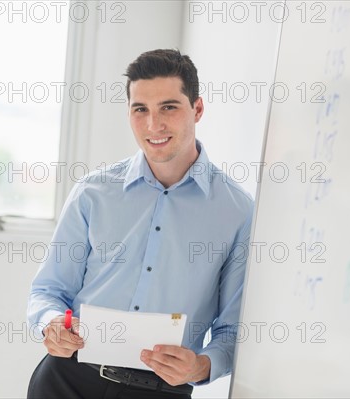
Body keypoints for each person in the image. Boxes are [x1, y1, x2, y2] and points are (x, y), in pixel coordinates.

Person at [26, 49, 254, 398]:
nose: (153, 125)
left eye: (169, 107)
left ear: (197, 109)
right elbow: (48, 291)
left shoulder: (237, 211)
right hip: (66, 379)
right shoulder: (92, 192)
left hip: (160, 391)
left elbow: (232, 330)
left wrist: (202, 366)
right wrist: (50, 324)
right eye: (140, 110)